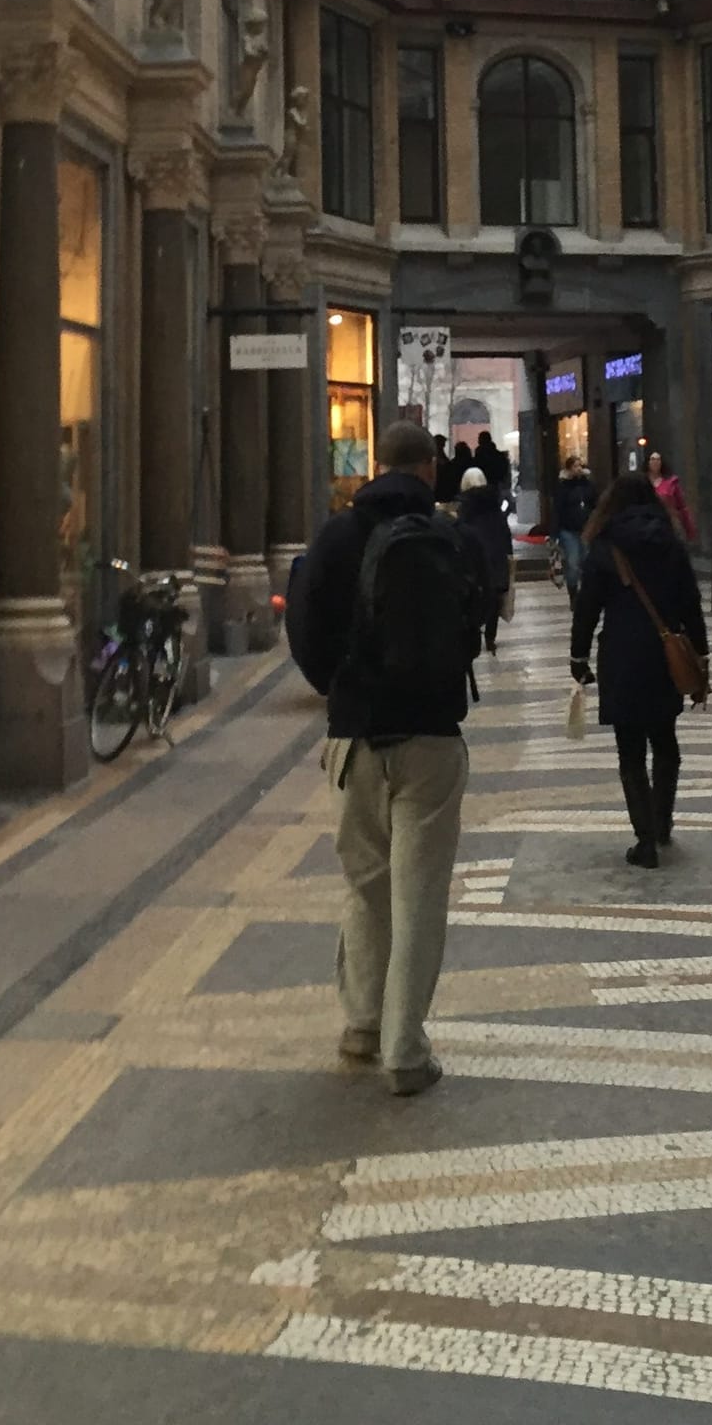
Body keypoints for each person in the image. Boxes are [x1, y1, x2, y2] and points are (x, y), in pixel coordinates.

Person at [285, 421, 490, 1095]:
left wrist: (341, 689)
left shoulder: (337, 535)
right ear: (430, 467)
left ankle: (363, 1024)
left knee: (367, 886)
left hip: (356, 737)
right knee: (420, 894)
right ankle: (406, 1050)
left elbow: (307, 630)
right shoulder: (449, 536)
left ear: (377, 463)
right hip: (432, 735)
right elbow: (481, 616)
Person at [569, 472, 708, 868]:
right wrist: (700, 652)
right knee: (665, 739)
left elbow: (587, 608)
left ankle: (645, 839)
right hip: (666, 657)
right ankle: (663, 821)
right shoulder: (670, 543)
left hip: (621, 655)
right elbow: (690, 603)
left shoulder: (605, 545)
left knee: (629, 751)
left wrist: (578, 657)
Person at [456, 469, 514, 656]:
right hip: (495, 550)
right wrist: (508, 551)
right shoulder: (493, 501)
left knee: (475, 591)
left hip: (474, 551)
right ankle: (490, 636)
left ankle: (475, 630)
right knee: (495, 594)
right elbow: (503, 527)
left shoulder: (465, 505)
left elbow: (461, 529)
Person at [551, 455, 596, 596]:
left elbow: (595, 504)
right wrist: (554, 532)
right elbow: (557, 509)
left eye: (580, 466)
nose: (578, 469)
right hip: (569, 530)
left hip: (586, 529)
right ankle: (573, 593)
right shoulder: (563, 487)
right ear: (569, 469)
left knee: (587, 561)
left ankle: (587, 592)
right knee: (573, 562)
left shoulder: (588, 485)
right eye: (575, 466)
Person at [645, 448, 696, 546]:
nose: (655, 462)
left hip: (668, 524)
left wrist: (689, 530)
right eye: (652, 459)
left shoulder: (671, 483)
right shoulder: (642, 482)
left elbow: (682, 507)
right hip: (648, 525)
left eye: (658, 459)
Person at [473, 426, 513, 509]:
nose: (478, 441)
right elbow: (504, 470)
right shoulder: (499, 455)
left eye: (480, 439)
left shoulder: (479, 455)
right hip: (494, 485)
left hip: (485, 486)